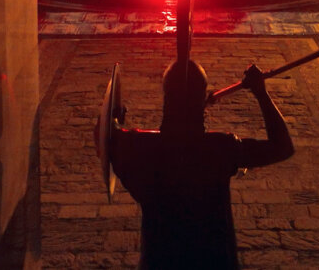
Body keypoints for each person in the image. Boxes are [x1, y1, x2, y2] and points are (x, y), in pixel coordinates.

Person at [112, 60, 294, 269]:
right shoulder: (221, 148)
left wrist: (117, 118)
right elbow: (282, 147)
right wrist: (261, 93)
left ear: (166, 97)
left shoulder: (139, 147)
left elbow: (107, 137)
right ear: (202, 98)